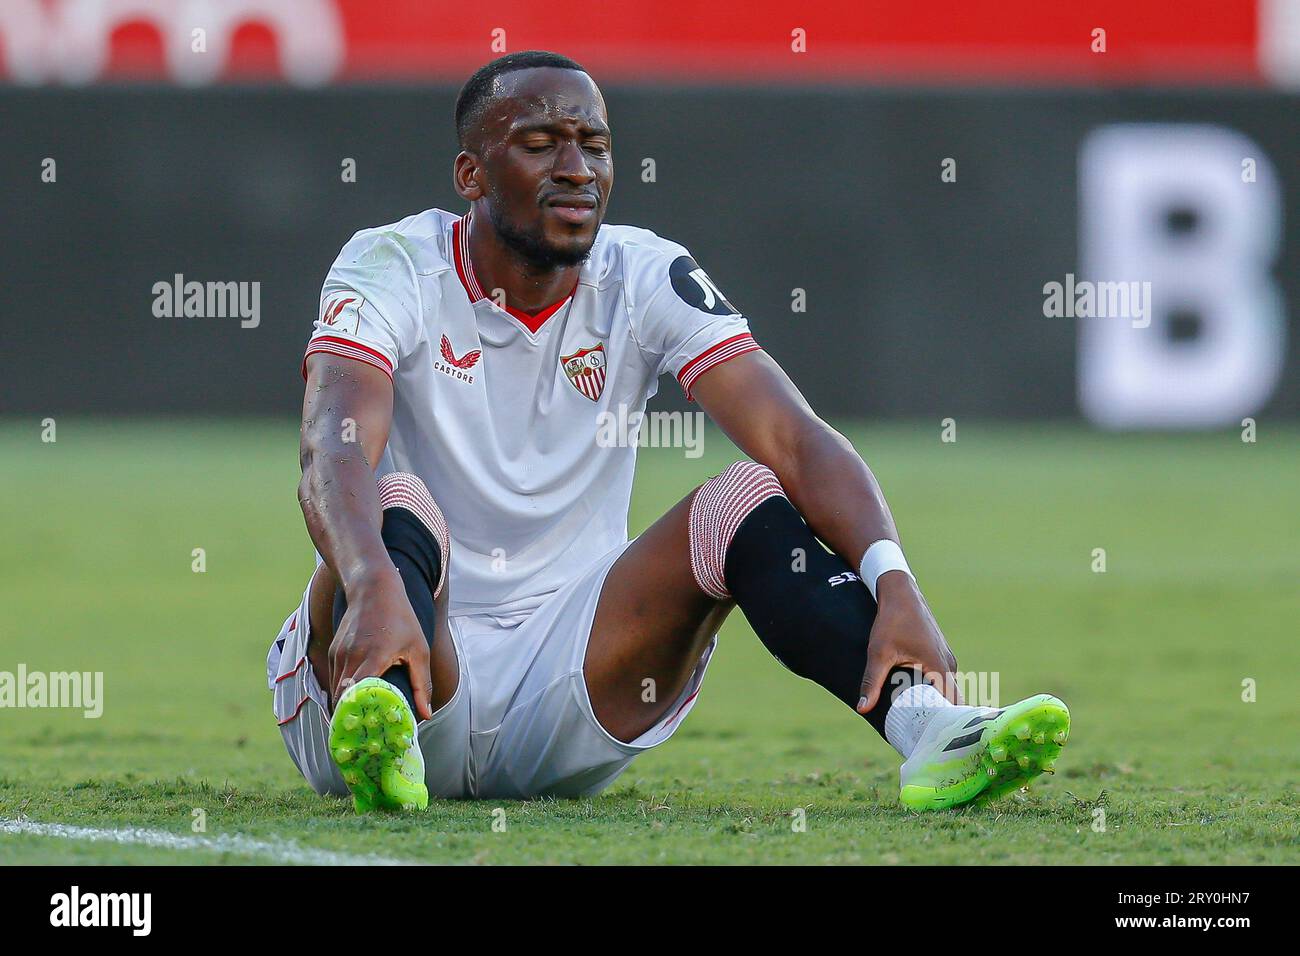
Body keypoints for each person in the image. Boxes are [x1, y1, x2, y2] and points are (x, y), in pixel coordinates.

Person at [267, 50, 1069, 813]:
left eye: (594, 145)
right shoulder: (393, 263)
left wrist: (896, 582)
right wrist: (370, 582)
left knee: (747, 493)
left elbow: (793, 438)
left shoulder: (644, 273)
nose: (577, 169)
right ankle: (385, 733)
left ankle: (929, 728)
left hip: (573, 680)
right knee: (400, 496)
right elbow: (330, 446)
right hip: (392, 644)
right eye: (539, 144)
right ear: (470, 174)